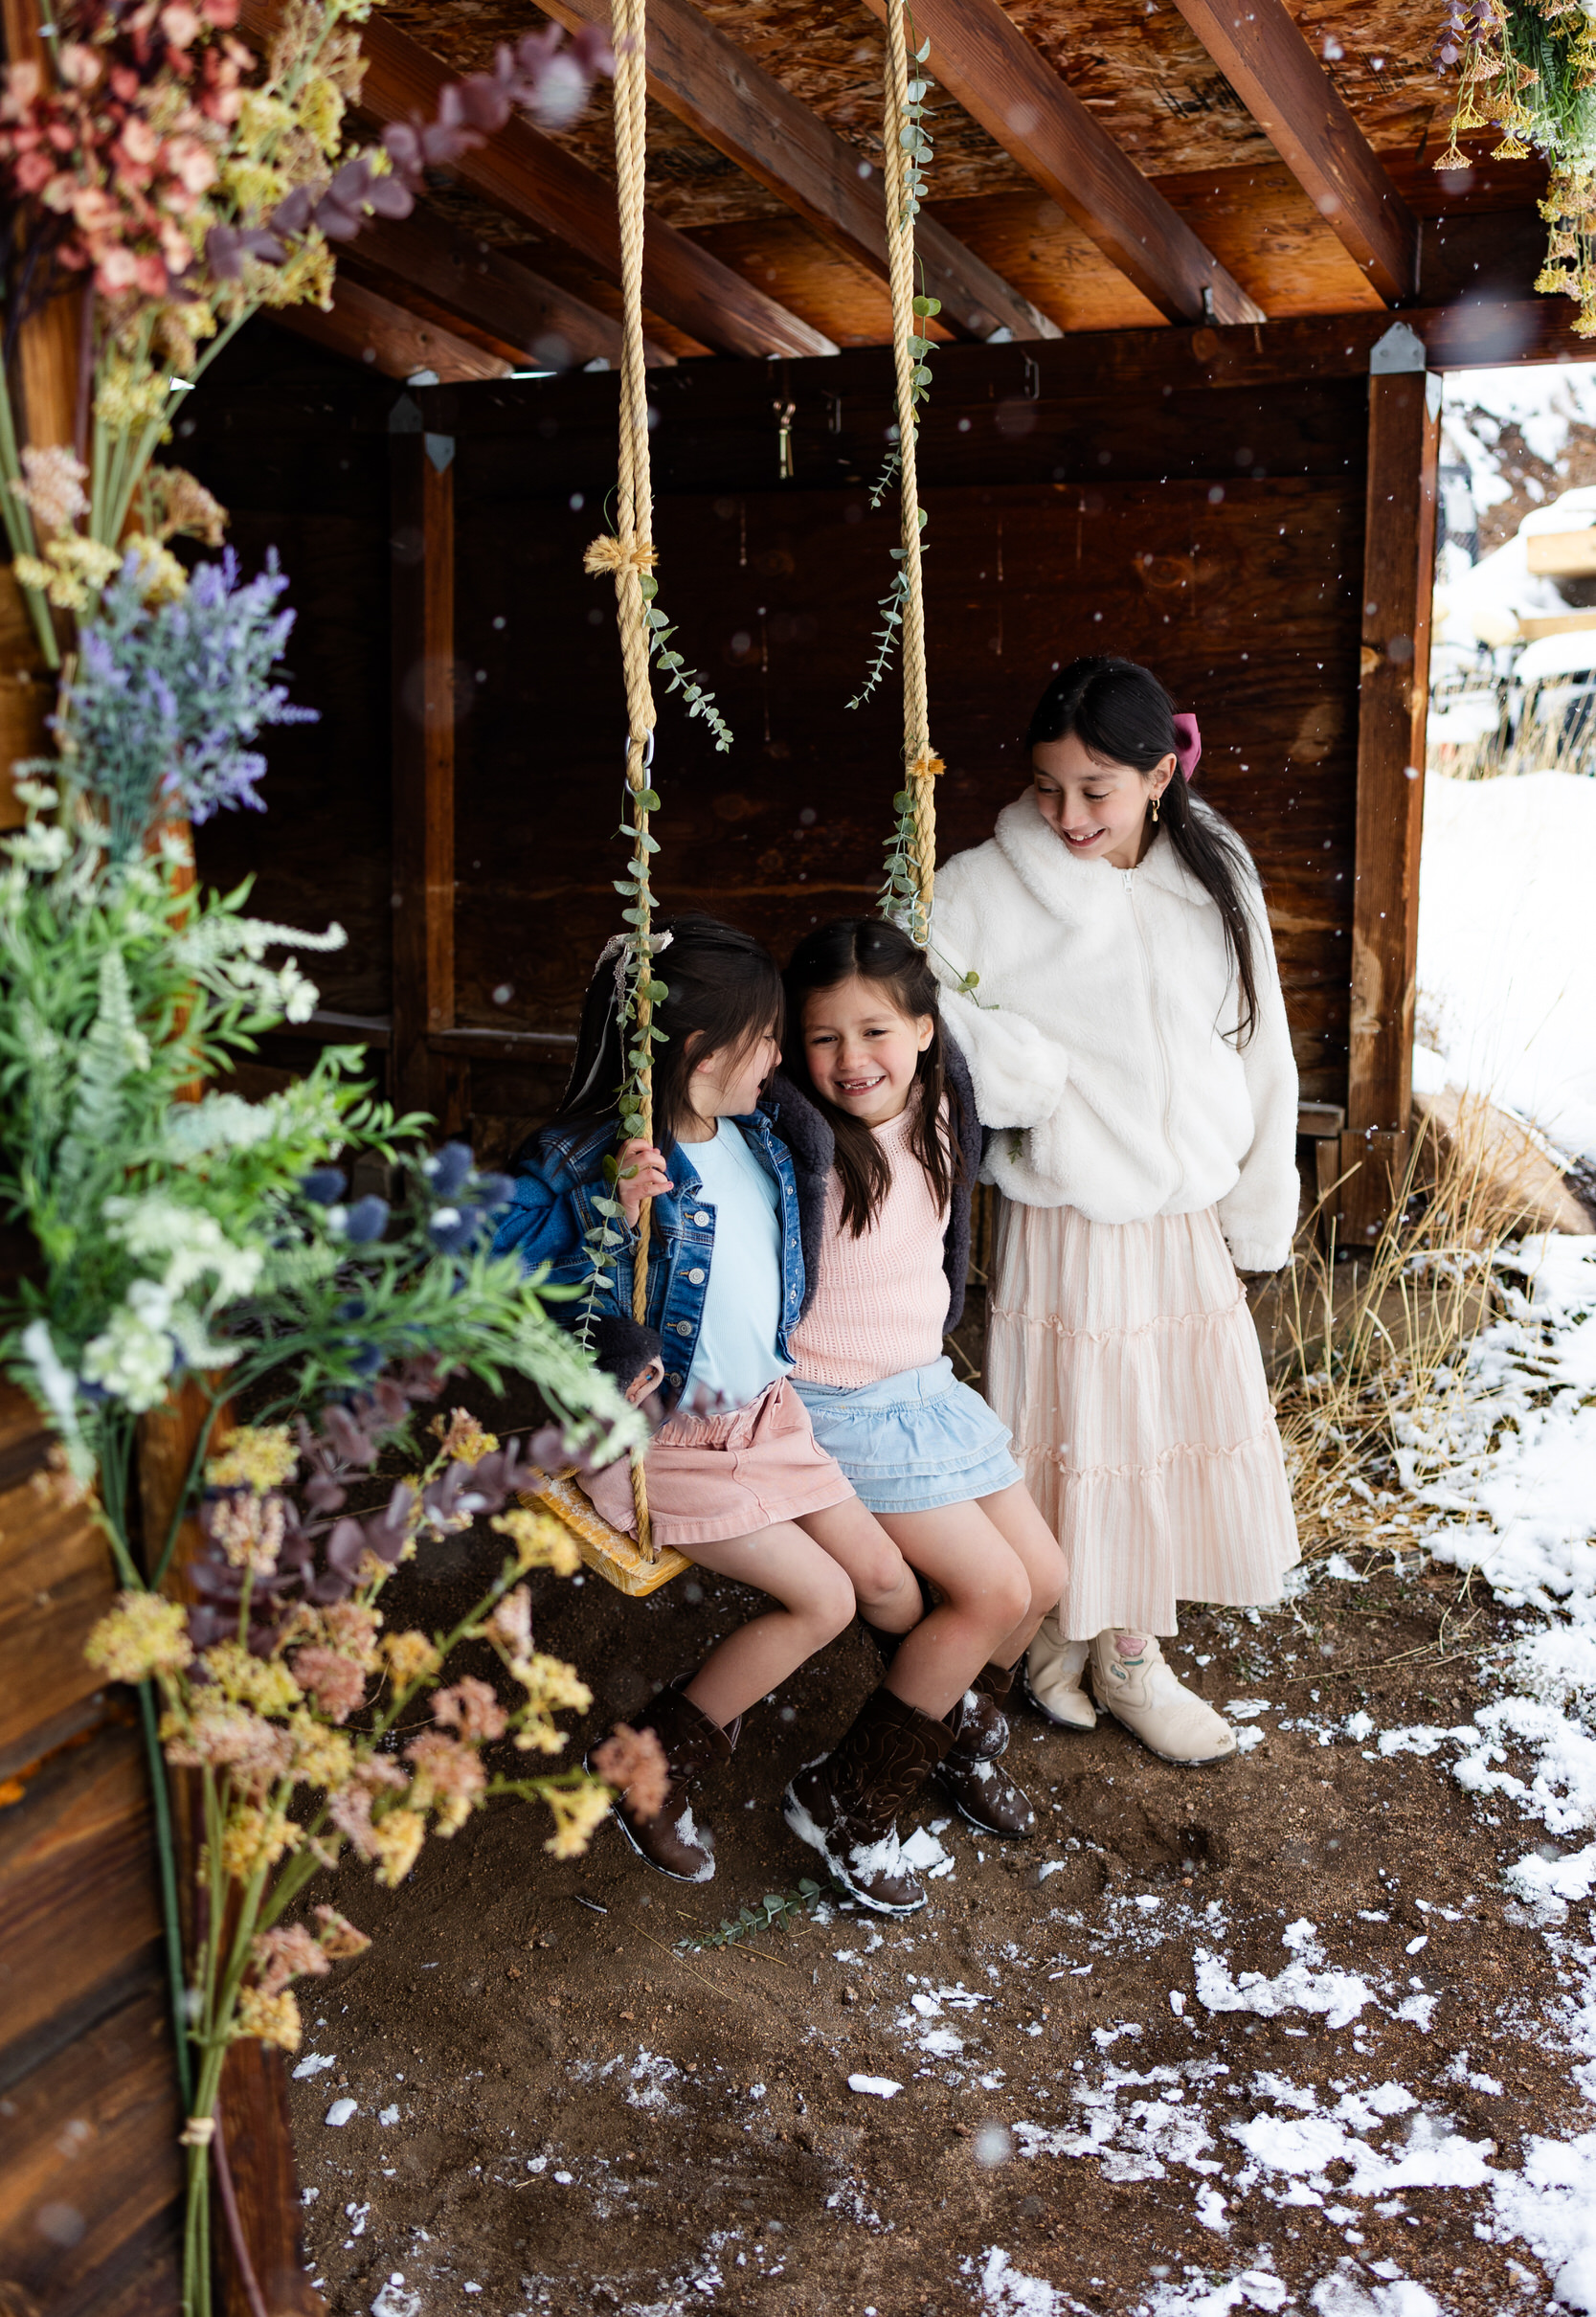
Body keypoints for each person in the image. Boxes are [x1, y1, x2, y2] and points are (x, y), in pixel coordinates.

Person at [492, 914, 922, 1885]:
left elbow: (887, 1083)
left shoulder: (759, 1132)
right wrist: (602, 1219)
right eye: (764, 1038)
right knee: (823, 1596)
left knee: (886, 1579)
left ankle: (944, 1709)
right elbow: (498, 1277)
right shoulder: (596, 1163)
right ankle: (641, 1769)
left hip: (768, 1417)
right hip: (665, 1445)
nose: (780, 1054)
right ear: (694, 1051)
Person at [928, 655, 1300, 1766]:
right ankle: (1059, 1630)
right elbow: (923, 1004)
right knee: (1073, 1430)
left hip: (1181, 1209)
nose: (1067, 815)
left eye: (1096, 789)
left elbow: (1260, 1042)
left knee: (1158, 1432)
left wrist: (1254, 1200)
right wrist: (1023, 1082)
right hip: (1071, 1212)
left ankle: (1125, 1653)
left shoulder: (1212, 865)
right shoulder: (982, 886)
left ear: (1157, 772)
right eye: (1048, 787)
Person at [770, 918, 1067, 1911]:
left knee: (1042, 1581)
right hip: (837, 1407)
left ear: (929, 1029)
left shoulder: (946, 1102)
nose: (851, 1061)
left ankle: (932, 1732)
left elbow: (1017, 1064)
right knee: (986, 1593)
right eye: (823, 1039)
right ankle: (846, 1799)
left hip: (924, 1390)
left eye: (875, 1032)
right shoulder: (793, 1141)